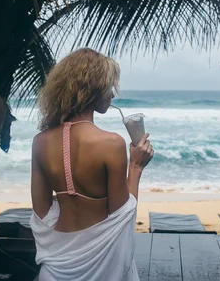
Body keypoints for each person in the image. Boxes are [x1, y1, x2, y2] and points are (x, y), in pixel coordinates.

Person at [29, 48, 154, 281]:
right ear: (93, 89)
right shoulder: (111, 143)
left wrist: (69, 198)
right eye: (109, 86)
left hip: (56, 267)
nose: (113, 94)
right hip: (103, 267)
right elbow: (121, 216)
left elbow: (42, 213)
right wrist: (136, 167)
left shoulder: (40, 142)